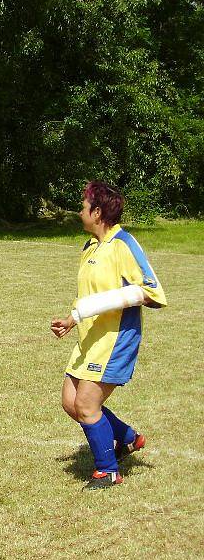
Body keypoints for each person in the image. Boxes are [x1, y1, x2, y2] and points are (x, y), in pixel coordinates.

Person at [51, 181, 167, 490]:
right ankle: (128, 438)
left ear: (98, 212)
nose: (79, 211)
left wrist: (119, 299)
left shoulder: (124, 244)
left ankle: (108, 470)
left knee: (87, 406)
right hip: (90, 338)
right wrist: (71, 320)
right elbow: (89, 295)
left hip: (116, 340)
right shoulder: (90, 246)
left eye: (83, 205)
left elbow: (152, 292)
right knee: (70, 402)